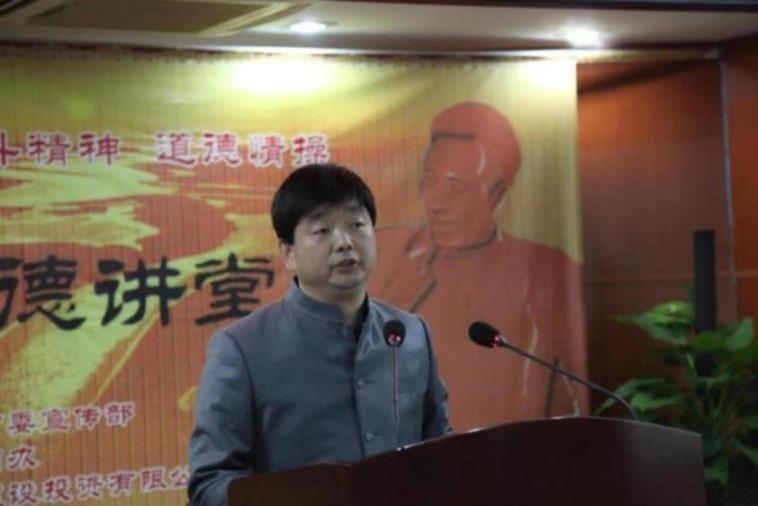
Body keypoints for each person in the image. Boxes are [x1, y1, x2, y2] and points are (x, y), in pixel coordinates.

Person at [188, 163, 452, 506]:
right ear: (289, 253)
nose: (344, 243)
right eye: (322, 230)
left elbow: (442, 452)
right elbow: (210, 484)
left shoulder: (411, 333)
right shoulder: (241, 348)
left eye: (357, 225)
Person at [371, 102, 585, 428]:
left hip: (508, 454)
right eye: (429, 181)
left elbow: (570, 406)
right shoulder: (386, 255)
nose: (435, 202)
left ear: (498, 194)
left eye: (455, 187)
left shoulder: (545, 274)